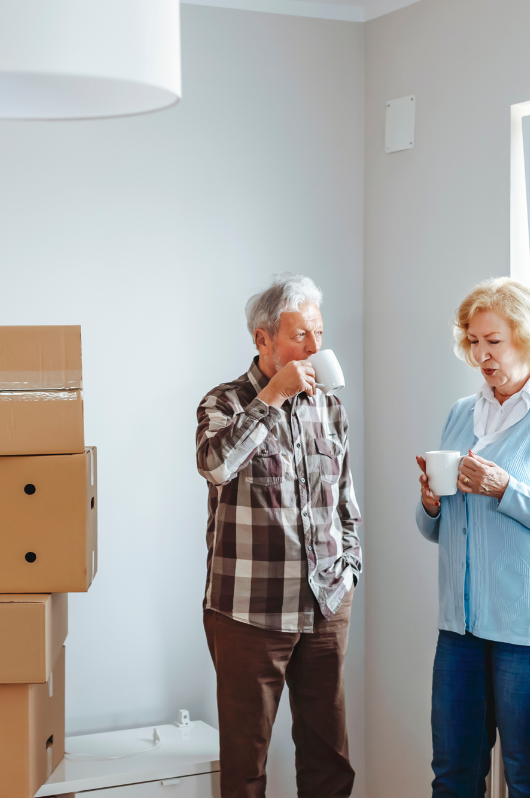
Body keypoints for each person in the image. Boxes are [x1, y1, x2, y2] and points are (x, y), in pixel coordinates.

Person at [415, 277, 530, 798]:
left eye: (492, 341)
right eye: (473, 342)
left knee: (528, 780)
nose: (481, 355)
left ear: (529, 337)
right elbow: (439, 528)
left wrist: (506, 489)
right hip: (463, 626)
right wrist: (430, 503)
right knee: (452, 777)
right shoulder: (461, 413)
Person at [196, 273, 362, 798]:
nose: (315, 348)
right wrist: (271, 399)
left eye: (318, 333)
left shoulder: (329, 406)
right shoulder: (223, 403)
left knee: (329, 758)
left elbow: (345, 501)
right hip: (249, 612)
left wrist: (350, 567)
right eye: (299, 336)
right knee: (246, 764)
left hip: (326, 604)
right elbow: (215, 465)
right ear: (262, 338)